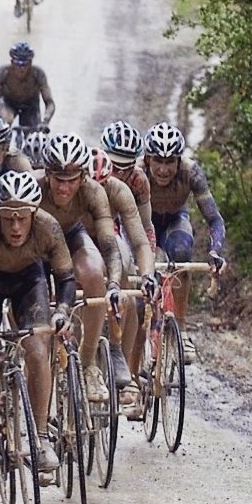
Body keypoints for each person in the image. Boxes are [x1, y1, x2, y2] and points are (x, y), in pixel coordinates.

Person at [0, 171, 75, 472]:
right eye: (9, 218)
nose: (16, 226)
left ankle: (40, 438)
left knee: (39, 350)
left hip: (29, 281)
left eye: (23, 218)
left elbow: (66, 277)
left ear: (35, 214)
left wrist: (62, 312)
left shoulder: (48, 227)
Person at [38, 133, 123, 402]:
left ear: (83, 177)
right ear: (47, 174)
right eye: (58, 180)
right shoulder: (34, 187)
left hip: (72, 236)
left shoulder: (93, 191)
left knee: (94, 272)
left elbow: (109, 242)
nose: (64, 188)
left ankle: (88, 365)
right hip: (35, 243)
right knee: (34, 289)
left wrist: (115, 284)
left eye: (71, 180)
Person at [141, 121, 227, 363]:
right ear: (148, 159)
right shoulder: (137, 173)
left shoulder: (191, 172)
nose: (164, 169)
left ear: (179, 161)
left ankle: (182, 328)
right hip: (143, 223)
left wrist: (215, 251)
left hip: (174, 220)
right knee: (140, 265)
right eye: (158, 160)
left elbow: (215, 219)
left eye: (170, 162)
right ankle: (138, 331)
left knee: (181, 254)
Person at [85, 147, 156, 405]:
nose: (97, 193)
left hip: (108, 241)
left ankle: (118, 352)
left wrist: (148, 274)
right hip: (75, 241)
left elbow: (140, 242)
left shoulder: (120, 190)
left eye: (102, 186)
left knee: (125, 264)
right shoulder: (65, 189)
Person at [100, 119, 156, 250]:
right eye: (114, 167)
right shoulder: (90, 172)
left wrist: (149, 261)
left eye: (126, 167)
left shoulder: (138, 180)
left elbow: (146, 226)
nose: (120, 174)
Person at [0, 42, 55, 133]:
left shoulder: (38, 74)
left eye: (25, 64)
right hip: (8, 103)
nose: (21, 69)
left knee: (34, 136)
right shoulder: (3, 73)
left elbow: (50, 102)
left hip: (30, 106)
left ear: (30, 63)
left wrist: (45, 121)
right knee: (4, 125)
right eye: (18, 64)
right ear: (12, 63)